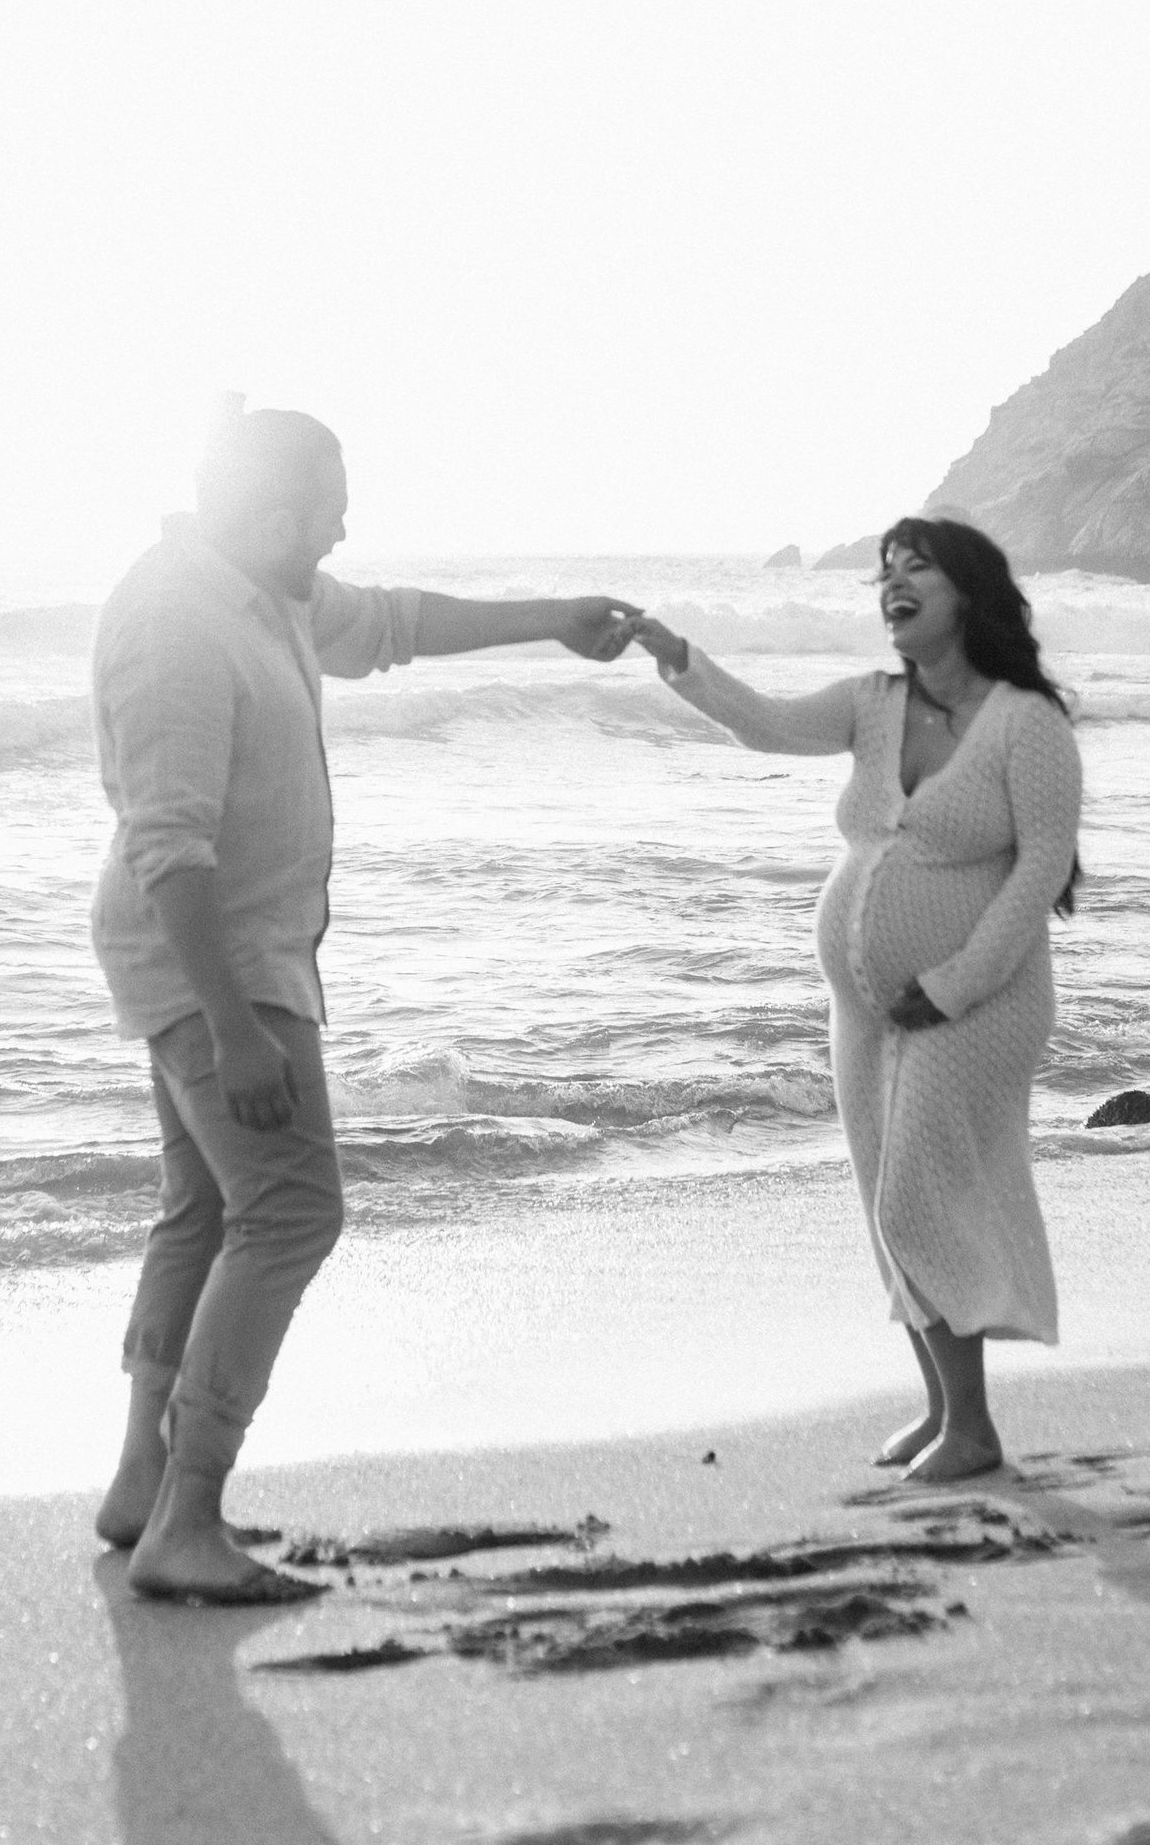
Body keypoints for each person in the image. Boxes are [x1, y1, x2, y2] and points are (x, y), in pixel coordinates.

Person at [90, 405, 640, 1601]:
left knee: (202, 1212)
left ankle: (145, 1486)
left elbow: (396, 624)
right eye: (330, 508)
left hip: (248, 953)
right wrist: (233, 1026)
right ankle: (189, 1520)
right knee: (289, 1213)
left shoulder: (264, 589)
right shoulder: (176, 621)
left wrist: (551, 619)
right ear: (276, 511)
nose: (343, 529)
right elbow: (167, 848)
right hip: (214, 964)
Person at [630, 514, 1081, 1482]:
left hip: (981, 1002)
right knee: (885, 1202)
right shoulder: (871, 704)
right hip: (867, 1010)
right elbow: (764, 725)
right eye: (884, 572)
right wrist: (677, 658)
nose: (892, 584)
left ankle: (974, 1429)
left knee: (920, 1193)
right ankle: (939, 1411)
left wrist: (954, 984)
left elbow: (1041, 869)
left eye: (915, 568)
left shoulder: (1024, 722)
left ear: (968, 592)